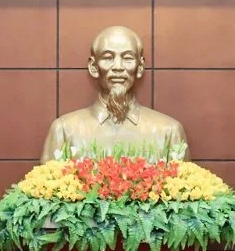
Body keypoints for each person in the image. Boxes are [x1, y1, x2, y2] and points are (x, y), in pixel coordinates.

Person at [40, 26, 190, 163]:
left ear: (140, 67)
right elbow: (46, 187)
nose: (118, 67)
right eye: (107, 58)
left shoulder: (169, 132)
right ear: (93, 67)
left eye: (127, 58)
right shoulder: (64, 130)